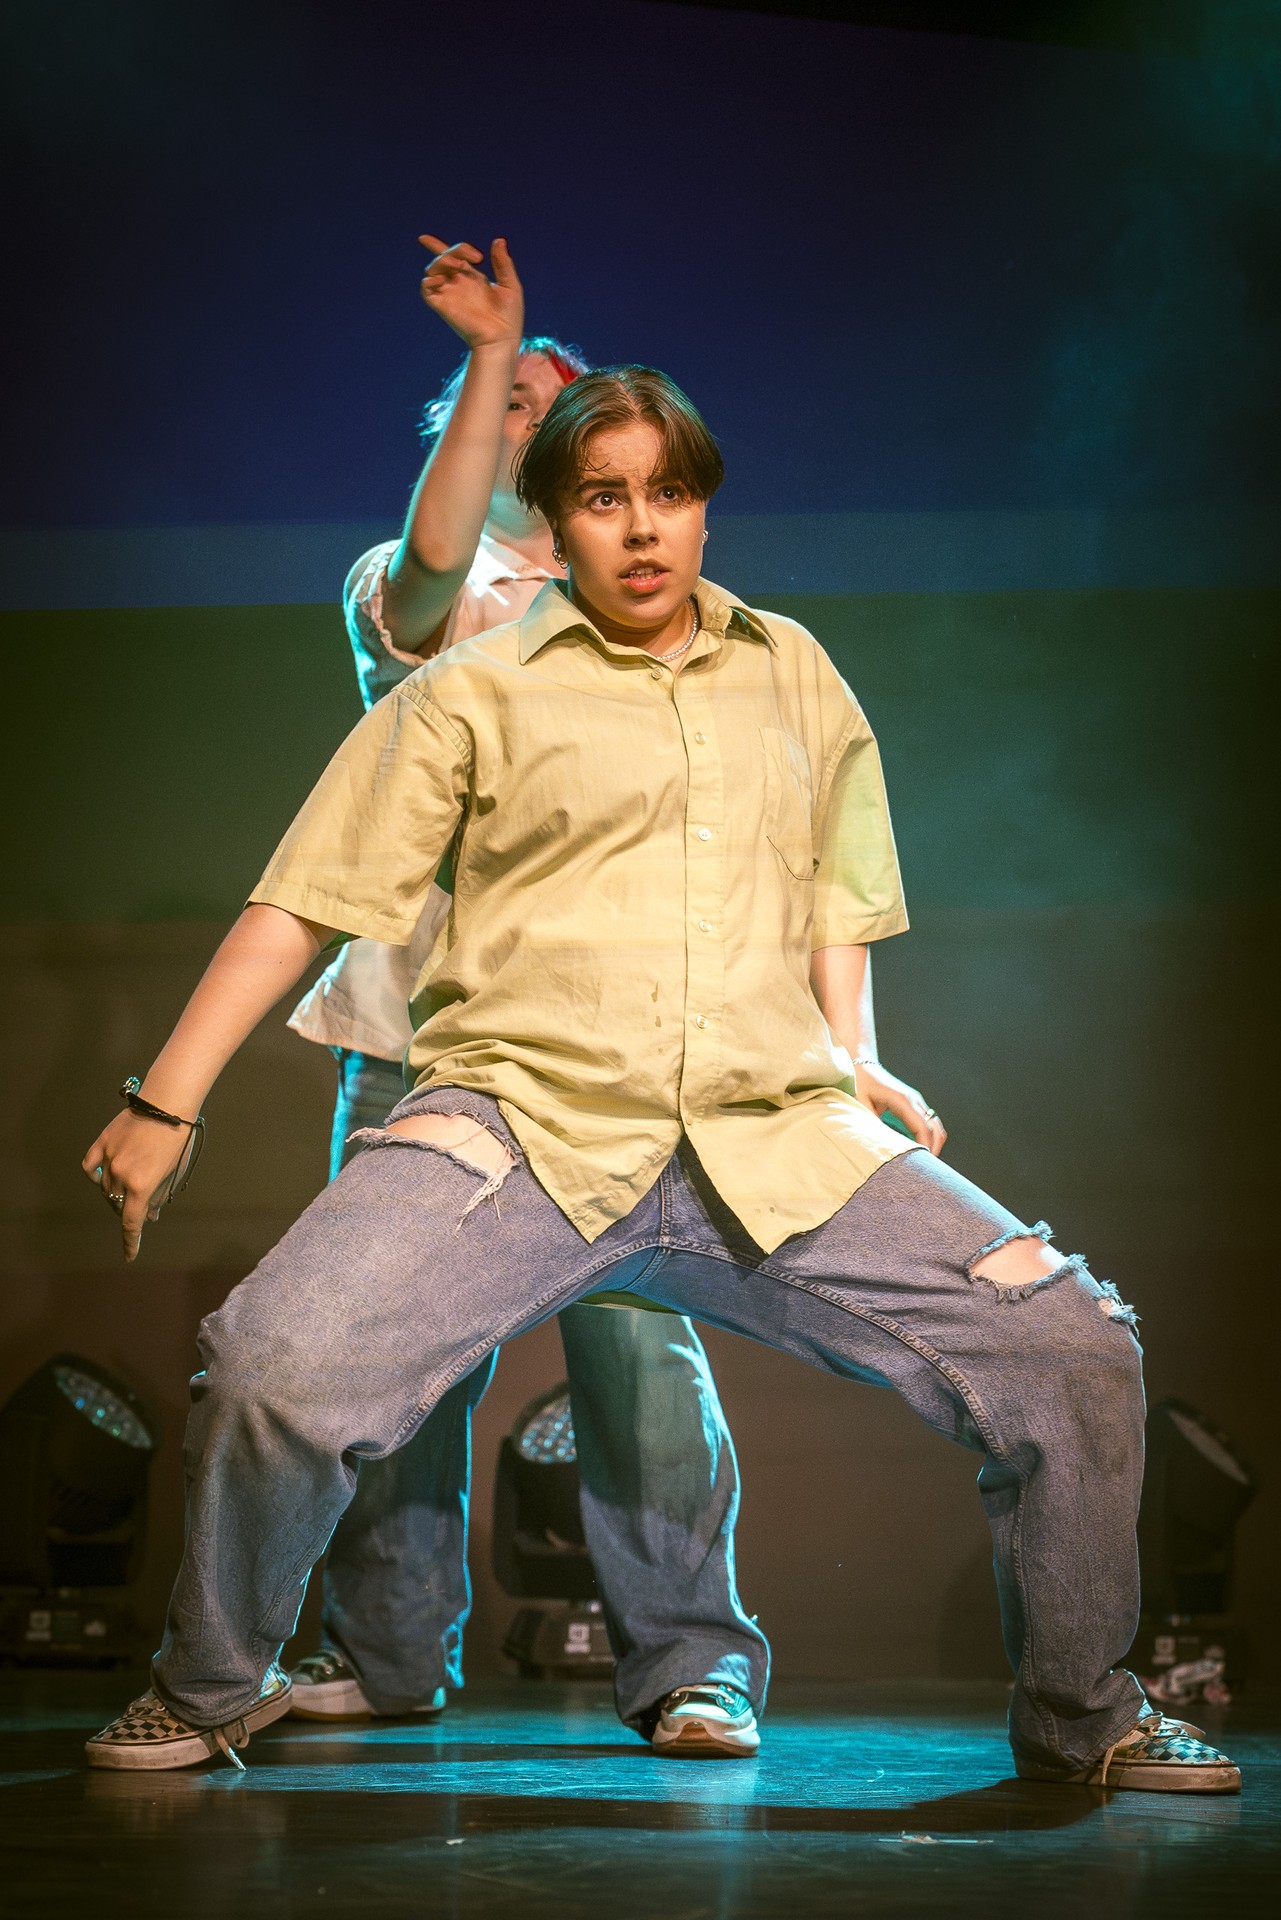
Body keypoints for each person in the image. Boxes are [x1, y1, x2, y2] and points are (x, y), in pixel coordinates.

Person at [82, 355, 1240, 1794]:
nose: (641, 528)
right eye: (604, 498)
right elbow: (304, 901)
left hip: (768, 1127)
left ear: (702, 507)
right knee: (271, 1361)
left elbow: (837, 888)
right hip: (522, 1126)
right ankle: (205, 1685)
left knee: (1074, 1350)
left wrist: (855, 1059)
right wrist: (164, 1098)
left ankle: (1084, 1714)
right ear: (555, 520)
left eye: (669, 493)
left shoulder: (791, 666)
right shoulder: (469, 690)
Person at [280, 232, 768, 1755]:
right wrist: (495, 349)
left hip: (615, 1048)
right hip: (421, 1041)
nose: (533, 422)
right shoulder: (426, 588)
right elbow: (429, 572)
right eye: (506, 406)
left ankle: (689, 1663)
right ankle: (384, 1652)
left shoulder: (660, 608)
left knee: (639, 1353)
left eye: (558, 408)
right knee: (398, 1351)